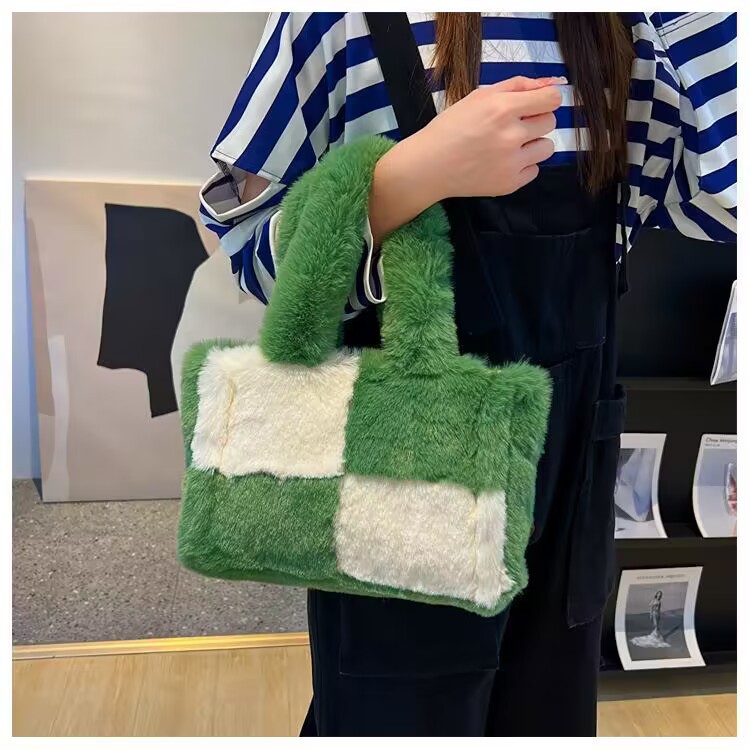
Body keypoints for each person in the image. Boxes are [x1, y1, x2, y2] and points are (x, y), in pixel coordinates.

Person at [200, 12, 736, 736]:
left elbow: (725, 211)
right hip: (402, 468)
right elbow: (246, 244)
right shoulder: (338, 19)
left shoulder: (639, 29)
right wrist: (402, 181)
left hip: (572, 473)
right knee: (399, 717)